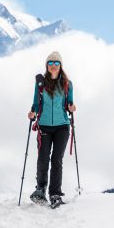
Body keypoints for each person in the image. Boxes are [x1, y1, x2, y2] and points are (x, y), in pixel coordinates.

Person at [28, 51, 76, 208]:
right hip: (44, 125)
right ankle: (40, 189)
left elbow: (70, 103)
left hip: (62, 126)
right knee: (43, 159)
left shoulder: (67, 84)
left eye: (56, 63)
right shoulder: (41, 84)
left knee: (56, 160)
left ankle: (55, 193)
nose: (53, 66)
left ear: (60, 66)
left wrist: (72, 106)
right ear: (47, 66)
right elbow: (36, 102)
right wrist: (33, 111)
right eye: (51, 63)